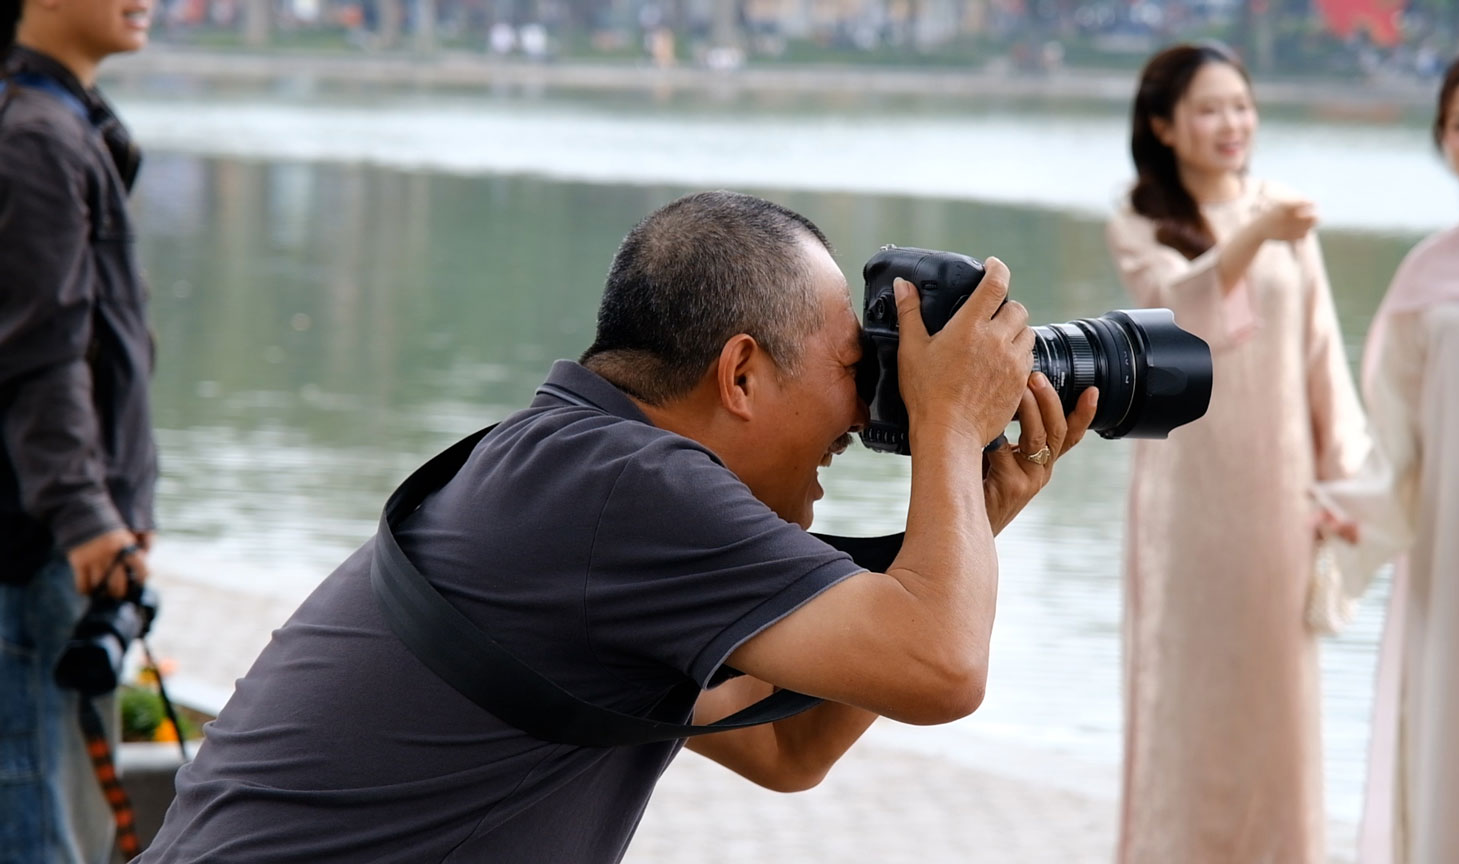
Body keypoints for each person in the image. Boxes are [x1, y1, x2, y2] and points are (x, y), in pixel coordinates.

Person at [136, 190, 1098, 863]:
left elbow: (784, 750)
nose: (861, 413)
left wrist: (975, 505)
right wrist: (946, 421)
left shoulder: (568, 470)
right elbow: (943, 670)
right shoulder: (624, 487)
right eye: (853, 370)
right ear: (740, 374)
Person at [1103, 42, 1372, 864]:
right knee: (1187, 695)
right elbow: (1173, 319)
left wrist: (1346, 486)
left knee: (1276, 702)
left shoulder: (1282, 209)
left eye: (1241, 105)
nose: (1232, 124)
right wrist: (1254, 234)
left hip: (1280, 491)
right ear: (1164, 125)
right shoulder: (1139, 217)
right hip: (1190, 502)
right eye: (1210, 109)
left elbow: (1321, 351)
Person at [1339, 45, 1459, 864]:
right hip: (1455, 556)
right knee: (1458, 742)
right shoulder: (1426, 273)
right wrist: (1345, 513)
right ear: (1442, 140)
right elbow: (1396, 447)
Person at [0, 0, 157, 861]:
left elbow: (105, 351)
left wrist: (126, 500)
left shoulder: (73, 124)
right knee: (29, 811)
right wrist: (87, 515)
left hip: (65, 528)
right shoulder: (34, 137)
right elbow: (40, 355)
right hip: (33, 541)